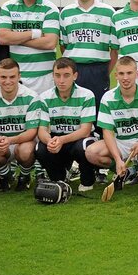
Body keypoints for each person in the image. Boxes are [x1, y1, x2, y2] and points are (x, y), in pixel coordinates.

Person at [85, 57, 138, 191]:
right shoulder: (108, 98)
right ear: (115, 75)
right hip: (120, 142)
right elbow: (107, 132)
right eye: (121, 73)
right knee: (91, 152)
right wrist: (117, 159)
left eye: (129, 73)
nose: (125, 78)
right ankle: (123, 171)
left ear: (137, 74)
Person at [35, 57, 98, 189]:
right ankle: (60, 177)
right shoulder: (45, 97)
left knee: (84, 147)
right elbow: (42, 130)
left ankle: (87, 180)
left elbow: (85, 130)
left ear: (75, 76)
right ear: (53, 76)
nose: (61, 80)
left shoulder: (86, 95)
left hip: (78, 139)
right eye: (57, 75)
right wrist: (49, 141)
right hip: (57, 138)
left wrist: (61, 140)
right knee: (40, 149)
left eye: (66, 75)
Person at [0, 58, 40, 192]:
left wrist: (10, 140)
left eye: (12, 77)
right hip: (0, 144)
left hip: (22, 142)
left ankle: (24, 176)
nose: (8, 81)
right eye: (3, 77)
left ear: (19, 76)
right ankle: (6, 176)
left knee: (25, 151)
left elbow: (32, 132)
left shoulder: (32, 97)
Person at [0, 0, 60, 94]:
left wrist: (15, 38)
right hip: (16, 75)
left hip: (45, 76)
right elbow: (3, 38)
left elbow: (50, 43)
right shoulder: (8, 7)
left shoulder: (50, 8)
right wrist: (35, 33)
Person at [59, 0, 116, 107]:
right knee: (74, 108)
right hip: (73, 69)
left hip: (98, 69)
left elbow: (114, 49)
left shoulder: (109, 12)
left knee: (97, 109)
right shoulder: (66, 13)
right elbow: (63, 45)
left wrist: (104, 71)